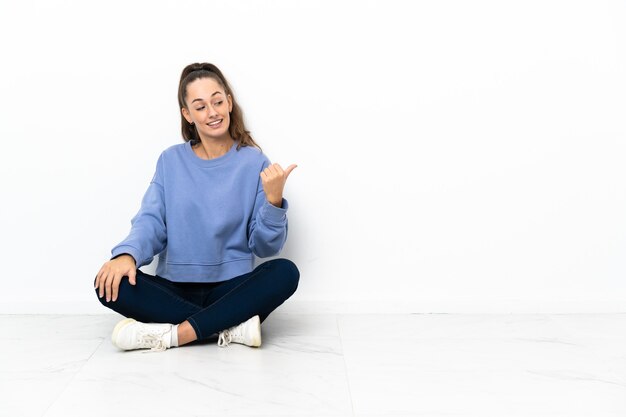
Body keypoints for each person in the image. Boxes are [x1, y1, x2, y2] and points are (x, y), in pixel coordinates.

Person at [93, 62, 300, 353]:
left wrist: (274, 202)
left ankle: (175, 334)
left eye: (217, 101)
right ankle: (229, 325)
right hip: (175, 287)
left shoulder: (255, 163)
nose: (212, 112)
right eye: (200, 106)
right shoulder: (170, 161)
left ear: (229, 102)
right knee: (109, 283)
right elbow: (150, 221)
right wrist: (127, 255)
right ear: (187, 114)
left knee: (285, 273)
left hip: (232, 287)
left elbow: (265, 249)